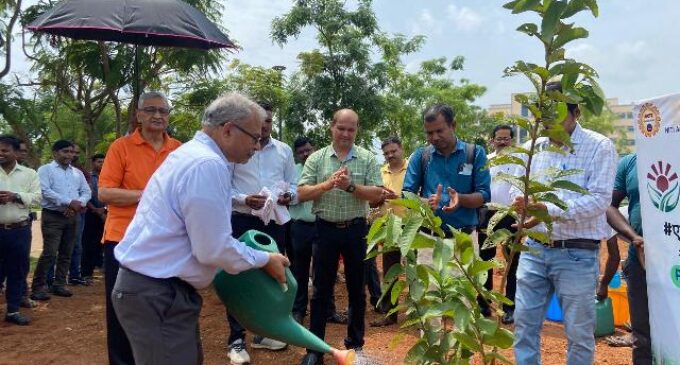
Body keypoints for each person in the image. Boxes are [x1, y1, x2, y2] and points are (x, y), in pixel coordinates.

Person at [112, 93, 289, 365]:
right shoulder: (207, 164)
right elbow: (212, 248)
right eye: (254, 137)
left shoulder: (191, 154)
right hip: (158, 291)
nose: (257, 146)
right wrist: (265, 259)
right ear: (228, 130)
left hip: (158, 290)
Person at [511, 82, 618, 365]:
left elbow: (598, 200)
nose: (548, 122)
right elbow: (516, 189)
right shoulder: (532, 148)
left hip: (577, 254)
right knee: (524, 326)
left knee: (579, 334)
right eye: (543, 114)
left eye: (556, 114)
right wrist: (521, 204)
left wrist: (548, 209)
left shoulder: (599, 147)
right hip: (534, 249)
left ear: (576, 112)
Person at [98, 91, 182, 365]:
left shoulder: (179, 149)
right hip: (123, 241)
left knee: (165, 308)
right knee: (121, 309)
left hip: (165, 241)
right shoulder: (120, 147)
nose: (158, 116)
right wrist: (148, 195)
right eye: (151, 110)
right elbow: (106, 193)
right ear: (138, 115)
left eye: (163, 111)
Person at [296, 109, 383, 365]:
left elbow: (378, 194)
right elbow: (301, 192)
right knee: (320, 291)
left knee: (358, 290)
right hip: (325, 231)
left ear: (357, 130)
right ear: (331, 127)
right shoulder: (317, 159)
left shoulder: (367, 158)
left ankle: (355, 347)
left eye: (351, 129)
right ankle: (315, 349)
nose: (346, 134)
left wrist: (351, 187)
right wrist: (327, 184)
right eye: (341, 128)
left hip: (357, 230)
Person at [225, 102, 296, 364]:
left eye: (268, 120)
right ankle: (236, 339)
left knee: (273, 275)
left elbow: (294, 184)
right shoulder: (236, 149)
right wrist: (245, 199)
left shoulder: (284, 150)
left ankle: (264, 333)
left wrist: (290, 195)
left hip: (274, 223)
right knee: (239, 274)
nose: (265, 125)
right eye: (261, 120)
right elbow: (225, 188)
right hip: (242, 220)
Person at [402, 104, 491, 235]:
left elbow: (484, 195)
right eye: (429, 133)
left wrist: (458, 199)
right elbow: (406, 195)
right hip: (429, 236)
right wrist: (427, 202)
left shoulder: (475, 153)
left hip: (464, 236)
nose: (435, 137)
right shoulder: (420, 156)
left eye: (439, 131)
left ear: (453, 125)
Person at [289, 137, 347, 326]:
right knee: (300, 270)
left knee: (325, 270)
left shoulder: (325, 169)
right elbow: (291, 196)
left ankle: (329, 311)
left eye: (308, 149)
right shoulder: (292, 173)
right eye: (301, 152)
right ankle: (298, 311)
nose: (305, 153)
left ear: (313, 149)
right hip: (300, 227)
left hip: (323, 225)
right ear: (297, 155)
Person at [30, 140, 91, 301]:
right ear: (55, 153)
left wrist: (77, 204)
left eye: (71, 152)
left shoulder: (77, 173)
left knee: (66, 252)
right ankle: (38, 287)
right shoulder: (45, 170)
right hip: (53, 216)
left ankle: (59, 284)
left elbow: (86, 192)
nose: (69, 155)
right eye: (65, 151)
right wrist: (67, 202)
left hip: (73, 216)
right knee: (50, 253)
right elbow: (44, 190)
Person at [606, 154, 650, 364]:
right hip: (640, 257)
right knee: (642, 333)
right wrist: (634, 238)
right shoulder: (630, 163)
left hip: (673, 254)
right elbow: (610, 206)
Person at [476, 125, 520, 323]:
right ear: (492, 140)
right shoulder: (486, 160)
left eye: (506, 138)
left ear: (512, 140)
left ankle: (510, 307)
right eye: (499, 138)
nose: (502, 141)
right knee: (485, 261)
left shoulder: (519, 161)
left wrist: (521, 217)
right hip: (487, 214)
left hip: (511, 215)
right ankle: (483, 304)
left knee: (512, 262)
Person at [0, 135, 41, 325]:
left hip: (19, 231)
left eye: (4, 150)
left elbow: (39, 199)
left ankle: (13, 311)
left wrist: (16, 196)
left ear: (16, 152)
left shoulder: (29, 174)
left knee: (17, 271)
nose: (0, 154)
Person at [370, 137, 407, 327]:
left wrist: (397, 197)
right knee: (390, 272)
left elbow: (417, 196)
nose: (390, 155)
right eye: (386, 153)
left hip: (411, 228)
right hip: (389, 228)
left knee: (415, 271)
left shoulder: (413, 170)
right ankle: (389, 314)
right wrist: (379, 197)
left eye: (393, 151)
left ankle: (420, 312)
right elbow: (373, 200)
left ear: (401, 149)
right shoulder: (380, 172)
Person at [81, 153, 106, 282]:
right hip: (91, 214)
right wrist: (95, 209)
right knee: (89, 243)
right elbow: (85, 194)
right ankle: (86, 273)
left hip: (107, 213)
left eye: (103, 162)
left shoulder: (109, 176)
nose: (101, 164)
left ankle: (103, 267)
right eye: (99, 162)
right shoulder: (88, 177)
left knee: (104, 243)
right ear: (93, 163)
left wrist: (104, 210)